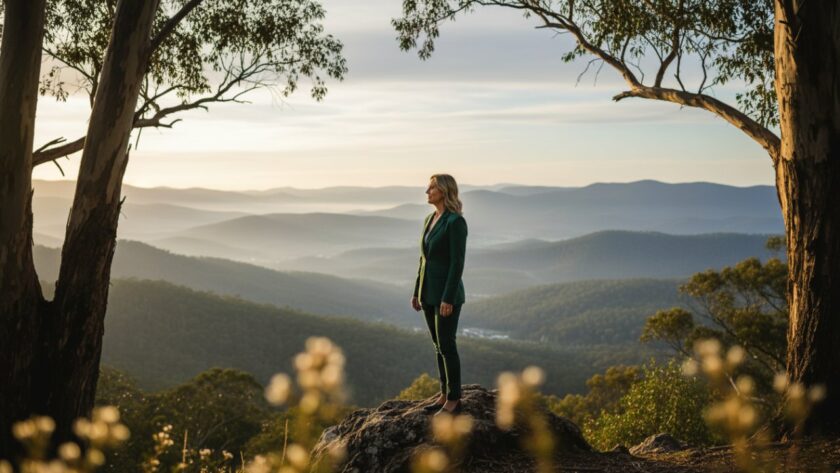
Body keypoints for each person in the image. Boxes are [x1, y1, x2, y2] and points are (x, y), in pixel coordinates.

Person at [410, 173, 468, 416]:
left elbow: (457, 263)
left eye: (431, 188)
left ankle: (454, 399)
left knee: (447, 345)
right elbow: (424, 259)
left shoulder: (455, 223)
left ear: (444, 191)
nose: (427, 192)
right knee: (437, 345)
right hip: (427, 293)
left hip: (446, 295)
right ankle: (443, 393)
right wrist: (416, 291)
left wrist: (448, 298)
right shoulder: (429, 219)